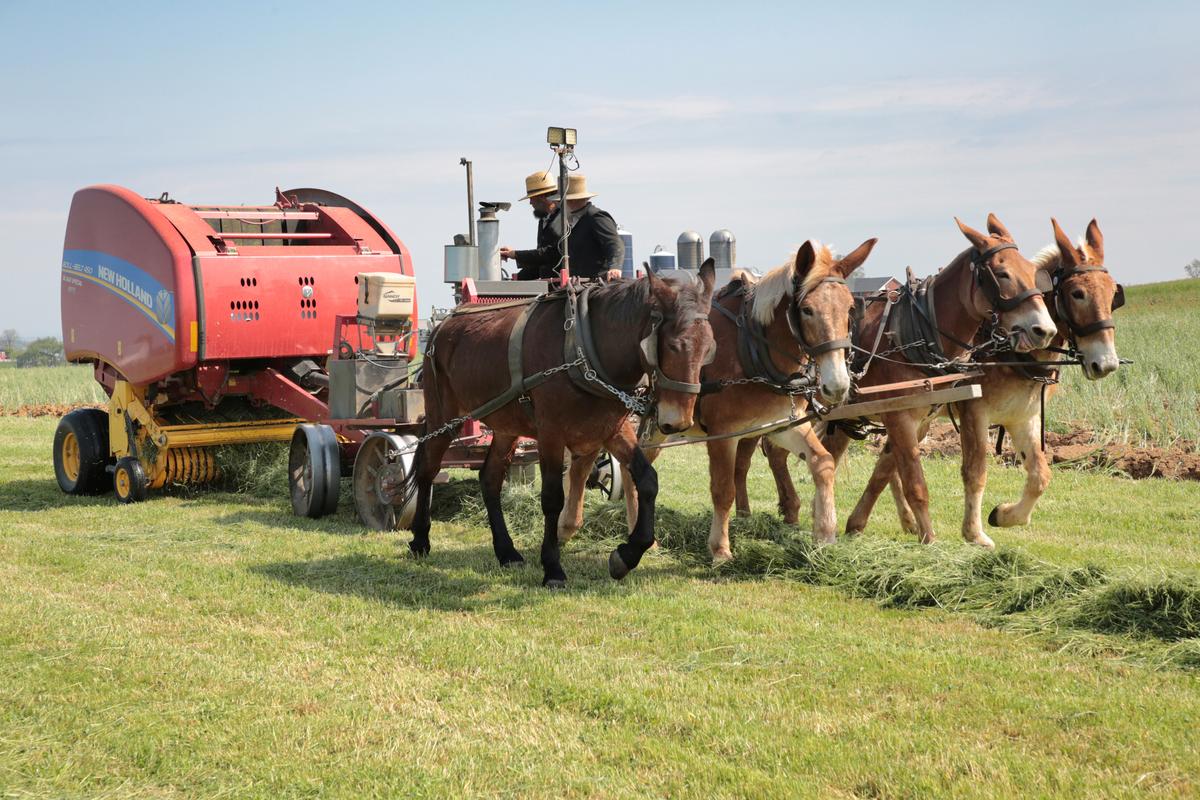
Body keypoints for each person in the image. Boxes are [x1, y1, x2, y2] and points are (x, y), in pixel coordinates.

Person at [501, 174, 625, 281]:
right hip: (577, 285)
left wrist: (615, 267)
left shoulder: (596, 217)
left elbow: (614, 243)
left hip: (594, 286)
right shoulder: (573, 221)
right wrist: (517, 277)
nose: (559, 204)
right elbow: (557, 251)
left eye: (561, 200)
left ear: (571, 200)